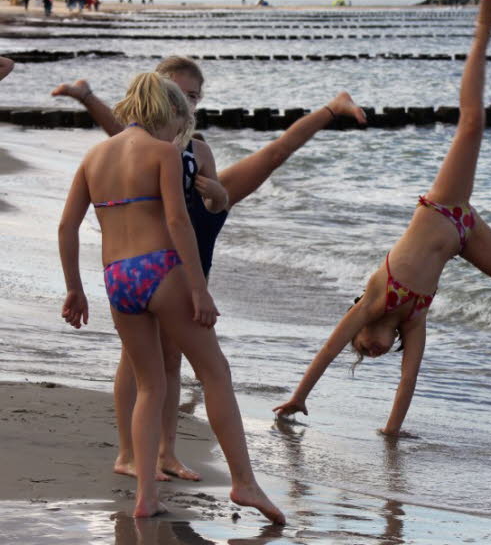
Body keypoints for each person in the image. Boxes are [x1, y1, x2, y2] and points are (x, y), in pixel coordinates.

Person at [273, 0, 491, 437]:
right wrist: (392, 430)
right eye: (375, 353)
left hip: (443, 208)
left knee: (471, 124)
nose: (368, 351)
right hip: (464, 233)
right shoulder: (413, 322)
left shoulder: (373, 299)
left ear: (361, 326)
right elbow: (409, 379)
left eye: (362, 348)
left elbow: (327, 350)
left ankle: (483, 29)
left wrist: (299, 397)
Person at [52, 57, 366, 480]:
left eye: (193, 96)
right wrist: (86, 96)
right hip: (158, 263)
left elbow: (213, 206)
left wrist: (218, 193)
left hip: (191, 254)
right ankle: (130, 453)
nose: (185, 102)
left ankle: (165, 453)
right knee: (142, 364)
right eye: (177, 93)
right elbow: (117, 129)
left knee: (171, 363)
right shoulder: (147, 147)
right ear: (157, 96)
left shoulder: (196, 150)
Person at [58, 72, 284, 523]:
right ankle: (244, 482)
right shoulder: (164, 153)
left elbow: (67, 227)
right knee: (215, 372)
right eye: (179, 122)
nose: (178, 133)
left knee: (149, 386)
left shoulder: (94, 157)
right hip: (161, 268)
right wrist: (199, 289)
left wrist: (74, 288)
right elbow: (180, 224)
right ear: (168, 114)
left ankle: (145, 495)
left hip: (117, 276)